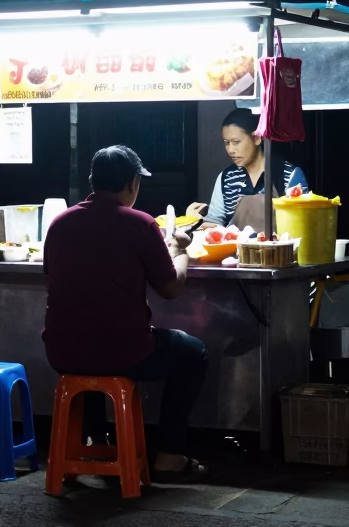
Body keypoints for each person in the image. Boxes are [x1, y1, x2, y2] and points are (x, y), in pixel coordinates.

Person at [43, 145, 210, 482]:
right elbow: (170, 289)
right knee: (192, 352)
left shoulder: (59, 224)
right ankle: (171, 456)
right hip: (125, 352)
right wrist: (180, 250)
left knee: (88, 340)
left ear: (92, 181)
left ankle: (97, 440)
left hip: (61, 352)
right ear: (133, 184)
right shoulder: (141, 225)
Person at [188, 108, 309, 228]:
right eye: (226, 143)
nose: (230, 150)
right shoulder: (226, 178)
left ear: (257, 138)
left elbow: (301, 223)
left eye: (236, 142)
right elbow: (215, 221)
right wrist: (193, 222)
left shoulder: (289, 175)